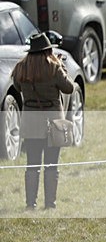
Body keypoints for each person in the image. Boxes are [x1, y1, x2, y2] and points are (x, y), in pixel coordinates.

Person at [11, 32, 77, 209]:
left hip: (31, 121)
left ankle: (30, 204)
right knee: (51, 164)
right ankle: (50, 204)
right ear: (47, 50)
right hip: (53, 122)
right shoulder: (54, 67)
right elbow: (69, 88)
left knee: (32, 165)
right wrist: (62, 66)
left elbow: (17, 87)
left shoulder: (21, 67)